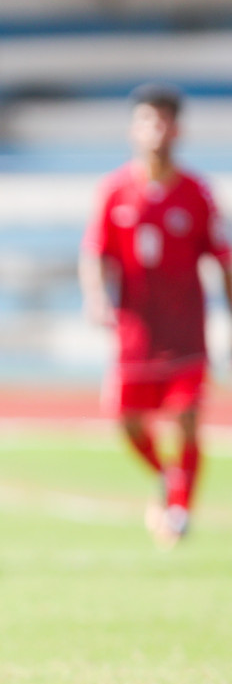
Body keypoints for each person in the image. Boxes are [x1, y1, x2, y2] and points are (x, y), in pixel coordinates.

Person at [80, 84, 231, 549]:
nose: (156, 130)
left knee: (185, 415)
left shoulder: (197, 193)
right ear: (134, 128)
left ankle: (180, 508)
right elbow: (94, 253)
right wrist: (95, 298)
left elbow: (222, 258)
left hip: (186, 331)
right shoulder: (114, 192)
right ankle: (169, 478)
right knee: (126, 421)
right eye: (148, 120)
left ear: (177, 129)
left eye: (164, 121)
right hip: (135, 333)